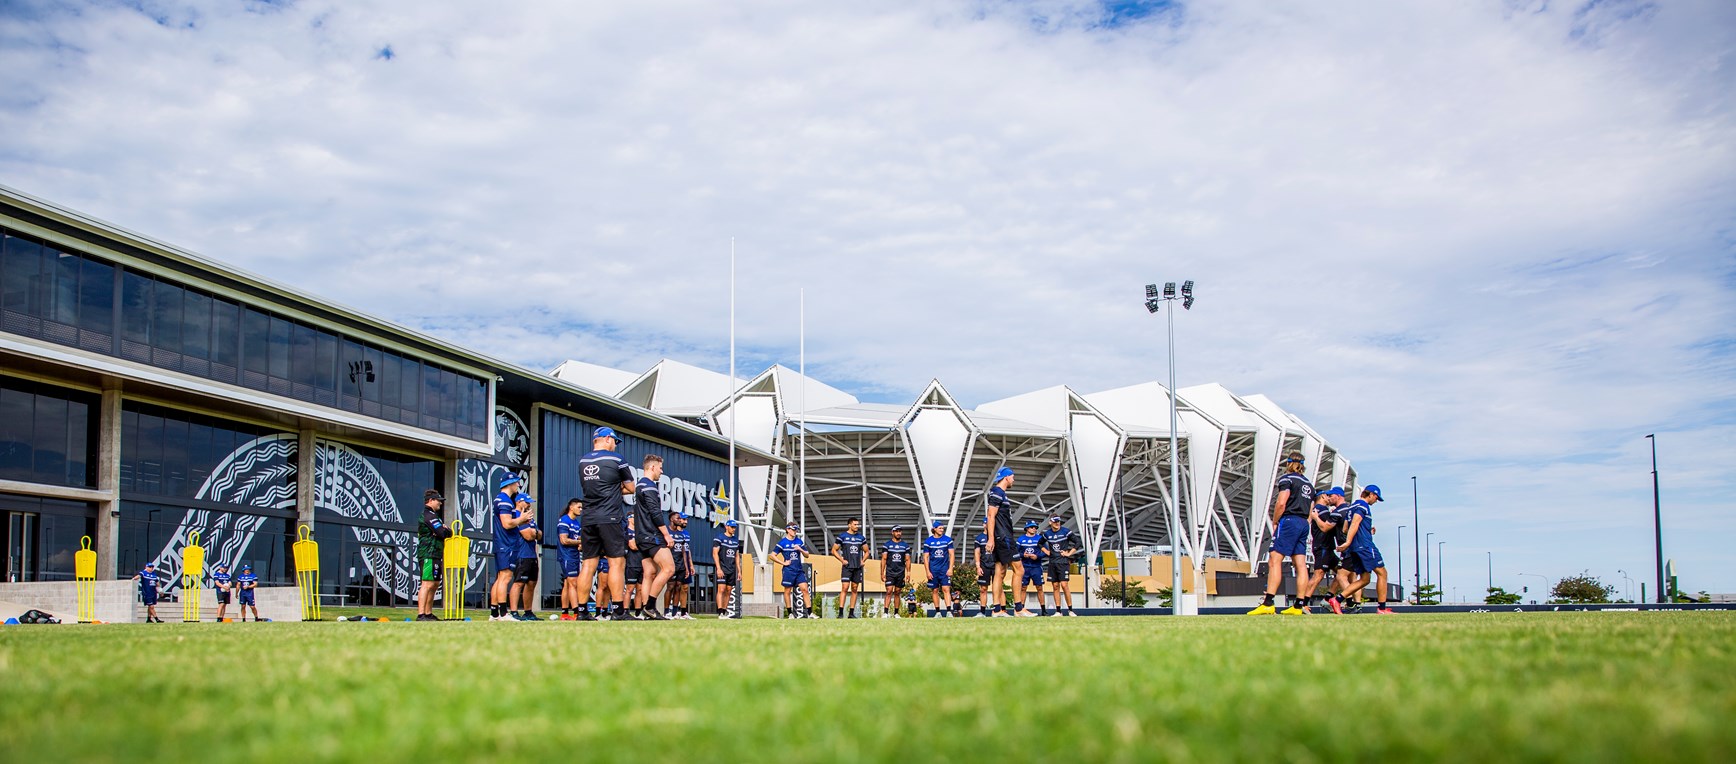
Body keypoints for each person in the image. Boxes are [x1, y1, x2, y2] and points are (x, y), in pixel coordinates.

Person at [576, 427, 636, 621]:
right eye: (614, 441)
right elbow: (631, 488)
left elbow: (591, 486)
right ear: (608, 439)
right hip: (610, 517)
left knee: (588, 564)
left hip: (588, 517)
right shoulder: (617, 460)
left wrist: (607, 487)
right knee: (616, 563)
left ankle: (582, 611)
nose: (615, 445)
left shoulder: (583, 461)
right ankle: (618, 611)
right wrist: (614, 488)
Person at [1248, 452, 1315, 616]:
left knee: (1274, 560)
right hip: (1303, 523)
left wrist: (1276, 520)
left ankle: (1268, 603)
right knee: (1300, 564)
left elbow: (1281, 502)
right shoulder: (1310, 485)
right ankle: (1299, 606)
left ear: (1288, 463)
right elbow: (1310, 510)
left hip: (1289, 521)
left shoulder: (1287, 479)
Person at [629, 454, 674, 620]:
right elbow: (655, 513)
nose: (661, 471)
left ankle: (646, 612)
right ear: (652, 467)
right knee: (669, 568)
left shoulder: (640, 485)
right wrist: (667, 535)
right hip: (651, 535)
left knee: (650, 573)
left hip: (642, 535)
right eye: (660, 468)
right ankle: (650, 607)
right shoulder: (649, 486)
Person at [1339, 485, 1394, 614]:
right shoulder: (1363, 506)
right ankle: (1381, 608)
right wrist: (1348, 542)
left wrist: (1366, 530)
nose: (1376, 501)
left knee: (1365, 579)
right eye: (1376, 498)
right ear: (1371, 495)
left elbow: (1345, 529)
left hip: (1356, 547)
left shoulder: (1351, 507)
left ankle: (1337, 599)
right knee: (1382, 573)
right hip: (1365, 546)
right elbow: (1355, 523)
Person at [490, 473, 535, 621]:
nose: (518, 485)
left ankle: (495, 613)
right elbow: (507, 523)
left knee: (500, 578)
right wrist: (521, 519)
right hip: (506, 544)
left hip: (502, 543)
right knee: (505, 577)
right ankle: (503, 613)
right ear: (510, 484)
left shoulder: (501, 499)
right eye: (516, 482)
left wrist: (521, 521)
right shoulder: (505, 501)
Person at [1304, 487, 1349, 614]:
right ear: (1323, 497)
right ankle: (1303, 603)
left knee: (1342, 573)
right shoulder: (1321, 510)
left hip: (1328, 548)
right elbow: (1328, 526)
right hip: (1322, 547)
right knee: (1318, 575)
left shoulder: (1320, 510)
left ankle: (1328, 599)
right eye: (1327, 495)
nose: (1329, 498)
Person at [985, 467, 1018, 617]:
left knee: (1000, 572)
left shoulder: (999, 493)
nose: (1014, 479)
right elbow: (991, 516)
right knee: (1020, 570)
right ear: (1006, 477)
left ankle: (997, 609)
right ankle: (1019, 608)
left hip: (1001, 536)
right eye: (1012, 477)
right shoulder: (998, 492)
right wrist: (991, 539)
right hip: (1003, 537)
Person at [415, 489, 453, 621]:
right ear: (431, 501)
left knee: (435, 583)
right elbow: (443, 533)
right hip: (428, 553)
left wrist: (446, 530)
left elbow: (447, 532)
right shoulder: (428, 515)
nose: (440, 504)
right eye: (438, 501)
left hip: (436, 553)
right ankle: (421, 615)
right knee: (427, 583)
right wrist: (444, 530)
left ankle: (428, 613)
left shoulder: (433, 515)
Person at [773, 523, 820, 619]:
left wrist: (800, 549)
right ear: (788, 530)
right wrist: (783, 563)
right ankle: (790, 613)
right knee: (787, 590)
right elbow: (772, 555)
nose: (795, 531)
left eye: (796, 530)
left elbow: (807, 555)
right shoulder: (782, 543)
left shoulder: (799, 541)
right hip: (788, 570)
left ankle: (810, 613)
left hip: (799, 570)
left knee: (805, 589)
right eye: (793, 529)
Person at [509, 489, 542, 621]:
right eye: (527, 502)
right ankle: (514, 612)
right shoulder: (517, 515)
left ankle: (528, 612)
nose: (529, 505)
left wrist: (535, 532)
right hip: (521, 554)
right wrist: (534, 532)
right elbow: (529, 536)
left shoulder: (529, 517)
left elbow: (539, 534)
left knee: (531, 583)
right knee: (518, 583)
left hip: (532, 555)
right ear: (519, 502)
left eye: (530, 502)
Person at [1041, 515, 1082, 616]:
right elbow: (1040, 543)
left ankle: (1070, 610)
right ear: (1050, 522)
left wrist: (1069, 553)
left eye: (1058, 521)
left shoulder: (1065, 531)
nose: (1057, 523)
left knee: (1064, 585)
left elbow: (1078, 542)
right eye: (1055, 521)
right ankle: (1058, 611)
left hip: (1063, 562)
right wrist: (1046, 551)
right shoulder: (1047, 534)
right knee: (1055, 586)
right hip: (1052, 562)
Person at [832, 518, 867, 618]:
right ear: (849, 525)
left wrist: (863, 560)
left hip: (857, 567)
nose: (857, 526)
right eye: (855, 524)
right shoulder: (842, 536)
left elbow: (867, 551)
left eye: (857, 524)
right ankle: (840, 613)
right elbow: (834, 550)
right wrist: (842, 560)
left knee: (855, 589)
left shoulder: (861, 538)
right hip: (847, 567)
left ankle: (851, 613)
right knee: (845, 588)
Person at [1013, 520, 1048, 617]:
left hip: (1036, 567)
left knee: (1039, 587)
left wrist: (1037, 557)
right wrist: (1023, 555)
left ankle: (1043, 610)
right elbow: (1015, 552)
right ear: (1027, 528)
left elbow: (1045, 552)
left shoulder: (1040, 538)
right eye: (1032, 527)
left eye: (1035, 527)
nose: (1034, 529)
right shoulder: (1021, 539)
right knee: (1023, 588)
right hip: (1024, 567)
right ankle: (1021, 608)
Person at [922, 521, 955, 617]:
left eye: (942, 528)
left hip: (944, 569)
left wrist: (950, 568)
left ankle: (949, 611)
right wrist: (927, 571)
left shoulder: (947, 540)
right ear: (934, 529)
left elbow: (952, 554)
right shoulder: (928, 541)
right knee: (935, 590)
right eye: (940, 528)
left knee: (946, 589)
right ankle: (937, 612)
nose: (942, 530)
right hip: (933, 570)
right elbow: (925, 557)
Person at [557, 499, 584, 620]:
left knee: (568, 584)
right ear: (571, 507)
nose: (581, 510)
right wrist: (580, 542)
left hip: (574, 555)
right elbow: (564, 540)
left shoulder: (577, 523)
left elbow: (577, 539)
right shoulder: (564, 520)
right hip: (567, 555)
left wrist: (580, 544)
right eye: (579, 507)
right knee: (573, 583)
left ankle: (564, 614)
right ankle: (577, 613)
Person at [880, 525, 912, 618]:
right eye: (897, 531)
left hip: (900, 572)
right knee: (889, 591)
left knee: (897, 592)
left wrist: (908, 572)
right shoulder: (887, 545)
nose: (899, 533)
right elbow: (884, 559)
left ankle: (896, 613)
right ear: (892, 532)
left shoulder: (905, 546)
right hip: (890, 572)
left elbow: (908, 560)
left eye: (900, 531)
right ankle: (885, 612)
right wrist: (882, 573)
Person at [713, 519, 743, 619]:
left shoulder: (735, 540)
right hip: (722, 567)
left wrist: (739, 570)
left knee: (729, 590)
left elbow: (737, 556)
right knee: (721, 589)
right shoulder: (719, 538)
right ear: (727, 527)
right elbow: (715, 553)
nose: (734, 529)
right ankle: (720, 612)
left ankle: (725, 612)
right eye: (732, 527)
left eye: (735, 527)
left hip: (732, 569)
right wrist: (718, 568)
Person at [666, 514, 694, 619]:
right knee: (671, 587)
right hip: (673, 563)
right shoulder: (668, 532)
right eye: (683, 519)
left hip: (684, 563)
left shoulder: (685, 534)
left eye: (686, 519)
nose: (685, 522)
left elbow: (687, 550)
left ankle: (682, 612)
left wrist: (690, 564)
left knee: (684, 587)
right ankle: (669, 610)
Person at [972, 516, 992, 616]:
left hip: (996, 564)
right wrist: (978, 566)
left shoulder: (996, 536)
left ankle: (1002, 610)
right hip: (984, 565)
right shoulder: (979, 538)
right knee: (983, 589)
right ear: (984, 524)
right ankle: (982, 612)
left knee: (999, 588)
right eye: (987, 523)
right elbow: (977, 553)